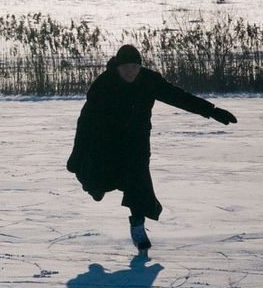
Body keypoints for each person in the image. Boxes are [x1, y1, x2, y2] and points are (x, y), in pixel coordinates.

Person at [66, 44, 237, 255]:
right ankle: (95, 187)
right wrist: (77, 154)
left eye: (135, 67)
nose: (131, 72)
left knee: (138, 185)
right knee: (96, 181)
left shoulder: (149, 80)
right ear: (118, 67)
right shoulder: (103, 84)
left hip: (136, 144)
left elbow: (178, 96)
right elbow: (85, 122)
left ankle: (138, 228)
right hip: (106, 144)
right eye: (127, 67)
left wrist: (212, 111)